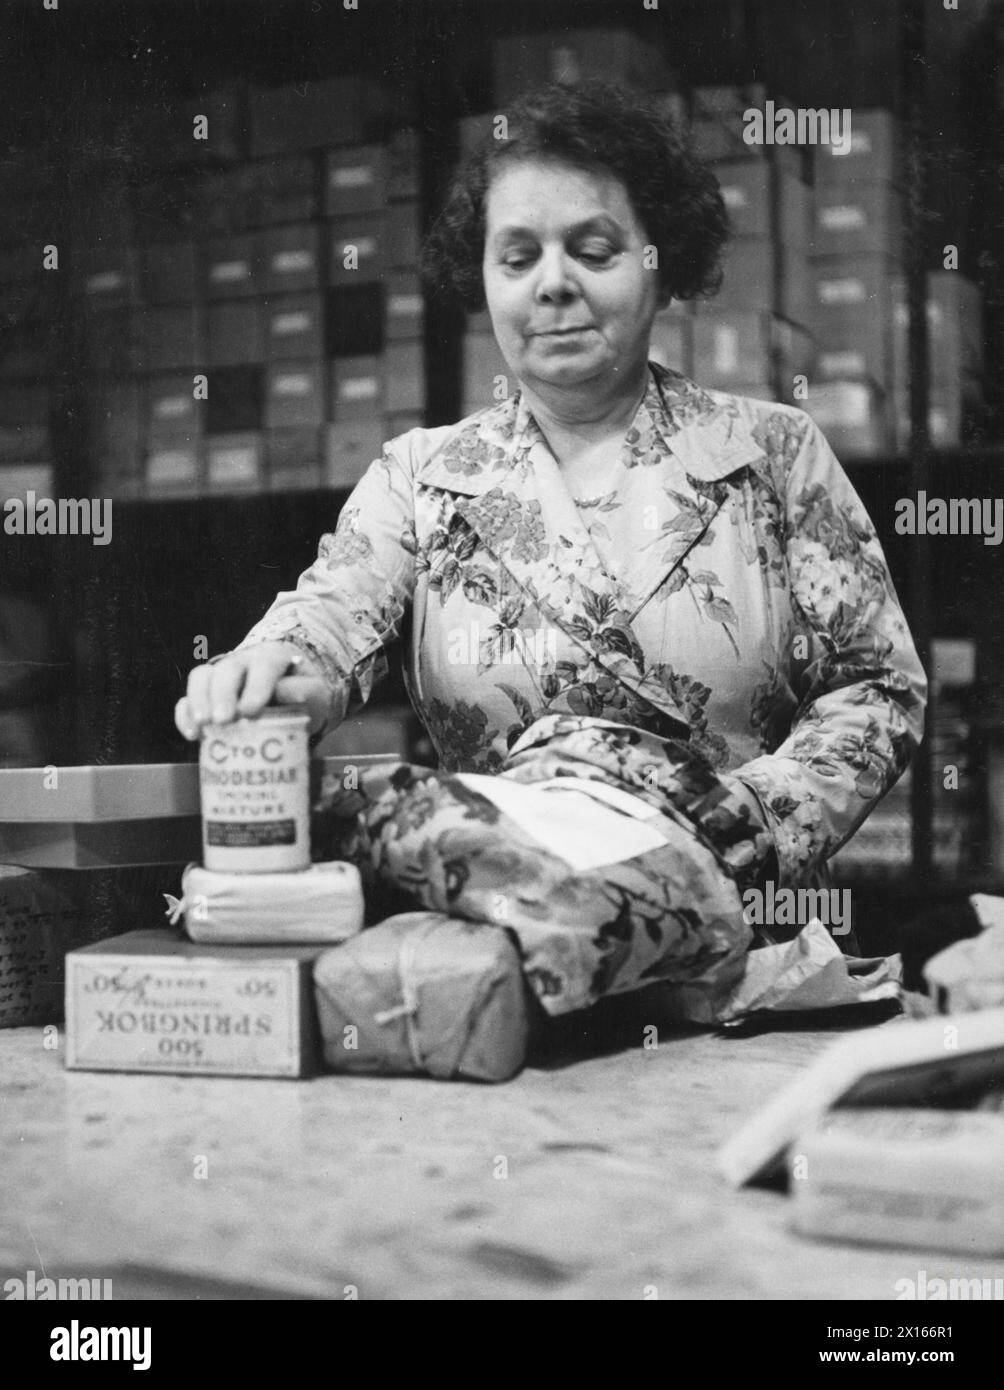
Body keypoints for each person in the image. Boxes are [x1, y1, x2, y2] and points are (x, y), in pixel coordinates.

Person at [176, 82, 926, 1030]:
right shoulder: (424, 477)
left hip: (741, 965)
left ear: (658, 264)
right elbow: (328, 620)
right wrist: (273, 677)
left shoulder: (770, 455)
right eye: (518, 256)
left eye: (594, 249)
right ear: (482, 279)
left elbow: (877, 687)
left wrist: (744, 822)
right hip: (505, 981)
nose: (553, 283)